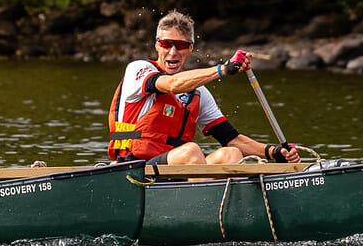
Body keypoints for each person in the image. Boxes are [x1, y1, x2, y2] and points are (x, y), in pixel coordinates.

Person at [107, 10, 305, 165]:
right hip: (132, 166)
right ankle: (204, 209)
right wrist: (223, 70)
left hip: (173, 168)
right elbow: (172, 85)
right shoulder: (138, 69)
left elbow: (231, 139)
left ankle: (227, 208)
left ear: (191, 48)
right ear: (157, 45)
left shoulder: (198, 92)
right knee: (192, 151)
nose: (173, 52)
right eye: (167, 44)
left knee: (231, 154)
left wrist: (273, 152)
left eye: (181, 45)